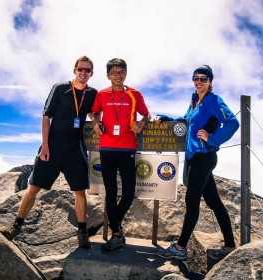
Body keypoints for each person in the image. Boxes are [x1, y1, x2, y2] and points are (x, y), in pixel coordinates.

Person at [0, 56, 97, 248]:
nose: (83, 73)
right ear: (74, 70)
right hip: (52, 144)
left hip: (75, 146)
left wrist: (95, 118)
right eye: (81, 69)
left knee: (80, 191)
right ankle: (16, 226)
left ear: (91, 73)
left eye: (87, 70)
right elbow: (46, 117)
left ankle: (83, 234)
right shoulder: (60, 89)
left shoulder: (92, 93)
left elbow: (94, 111)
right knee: (34, 187)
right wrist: (45, 146)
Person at [155, 65, 239, 261]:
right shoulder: (195, 100)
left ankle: (180, 248)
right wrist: (166, 118)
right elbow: (186, 120)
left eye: (203, 79)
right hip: (195, 156)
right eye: (196, 78)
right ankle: (229, 246)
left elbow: (233, 122)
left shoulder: (213, 100)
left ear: (210, 82)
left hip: (204, 156)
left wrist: (213, 139)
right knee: (213, 202)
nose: (199, 82)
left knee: (191, 202)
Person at [92, 58, 151, 251]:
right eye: (114, 72)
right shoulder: (101, 94)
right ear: (108, 75)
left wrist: (141, 124)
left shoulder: (135, 94)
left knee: (128, 193)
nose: (118, 76)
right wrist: (96, 122)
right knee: (110, 193)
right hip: (107, 148)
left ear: (126, 73)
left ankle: (115, 224)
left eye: (121, 72)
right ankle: (116, 234)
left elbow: (146, 114)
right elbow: (94, 113)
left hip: (127, 148)